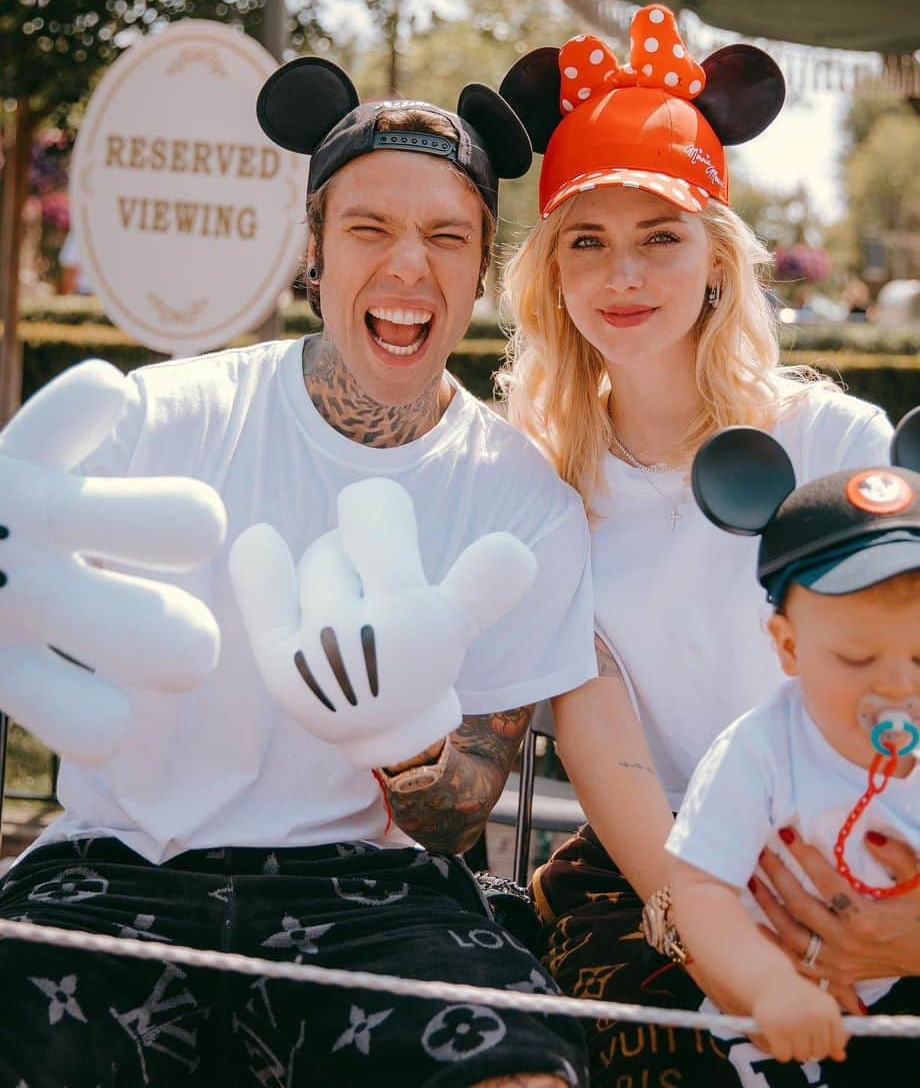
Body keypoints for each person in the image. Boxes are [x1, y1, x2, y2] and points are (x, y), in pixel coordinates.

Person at [0, 57, 596, 1088]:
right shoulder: (162, 415)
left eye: (447, 236)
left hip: (367, 898)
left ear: (483, 266)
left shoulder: (522, 499)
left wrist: (403, 739)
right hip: (118, 870)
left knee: (521, 1074)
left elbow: (461, 816)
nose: (410, 266)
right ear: (314, 254)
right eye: (369, 229)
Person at [497, 5, 920, 1087]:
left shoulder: (831, 441)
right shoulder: (540, 484)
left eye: (659, 237)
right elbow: (601, 734)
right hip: (657, 865)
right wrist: (714, 921)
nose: (623, 275)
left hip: (862, 828)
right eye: (588, 242)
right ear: (552, 275)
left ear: (716, 262)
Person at [667, 412, 920, 1082]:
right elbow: (700, 891)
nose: (897, 686)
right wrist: (769, 985)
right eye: (857, 658)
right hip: (785, 997)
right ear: (789, 648)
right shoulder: (758, 754)